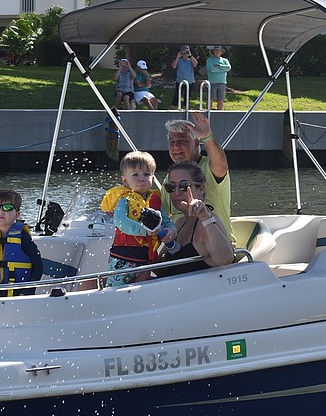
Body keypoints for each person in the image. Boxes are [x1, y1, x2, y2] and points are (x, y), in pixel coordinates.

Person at [101, 151, 177, 286]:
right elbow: (120, 221)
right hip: (123, 258)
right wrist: (144, 230)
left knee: (141, 290)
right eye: (135, 175)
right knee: (115, 290)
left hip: (145, 259)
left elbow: (165, 220)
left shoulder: (155, 200)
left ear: (152, 177)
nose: (141, 178)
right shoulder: (124, 199)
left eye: (146, 174)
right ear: (125, 180)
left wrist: (171, 231)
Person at [161, 113, 237, 247]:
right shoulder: (170, 177)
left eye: (182, 141)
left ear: (196, 143)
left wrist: (207, 138)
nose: (176, 146)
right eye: (172, 142)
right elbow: (161, 211)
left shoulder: (209, 168)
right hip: (180, 247)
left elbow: (221, 166)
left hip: (215, 247)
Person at [154, 161, 235, 277]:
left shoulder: (207, 222)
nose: (176, 192)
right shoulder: (179, 223)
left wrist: (205, 217)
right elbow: (161, 267)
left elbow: (226, 259)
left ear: (201, 189)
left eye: (184, 186)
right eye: (171, 187)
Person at [0, 189, 43, 297]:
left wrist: (27, 291)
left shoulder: (23, 236)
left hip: (20, 294)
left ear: (17, 214)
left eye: (7, 208)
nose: (1, 212)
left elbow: (38, 266)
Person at [170, 45, 198, 109]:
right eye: (183, 52)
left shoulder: (191, 60)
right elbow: (173, 66)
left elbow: (195, 64)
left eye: (186, 52)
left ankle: (186, 108)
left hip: (190, 82)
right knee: (177, 95)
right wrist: (177, 57)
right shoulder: (179, 60)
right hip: (180, 81)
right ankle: (172, 108)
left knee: (187, 96)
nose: (185, 54)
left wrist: (191, 56)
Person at [205, 45, 232, 110]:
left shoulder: (225, 60)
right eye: (216, 50)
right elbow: (212, 69)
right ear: (213, 51)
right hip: (212, 82)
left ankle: (219, 112)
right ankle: (208, 112)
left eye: (219, 50)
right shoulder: (209, 60)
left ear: (221, 52)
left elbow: (228, 68)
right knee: (210, 98)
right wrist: (223, 70)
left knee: (221, 99)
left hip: (222, 82)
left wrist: (219, 66)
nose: (217, 52)